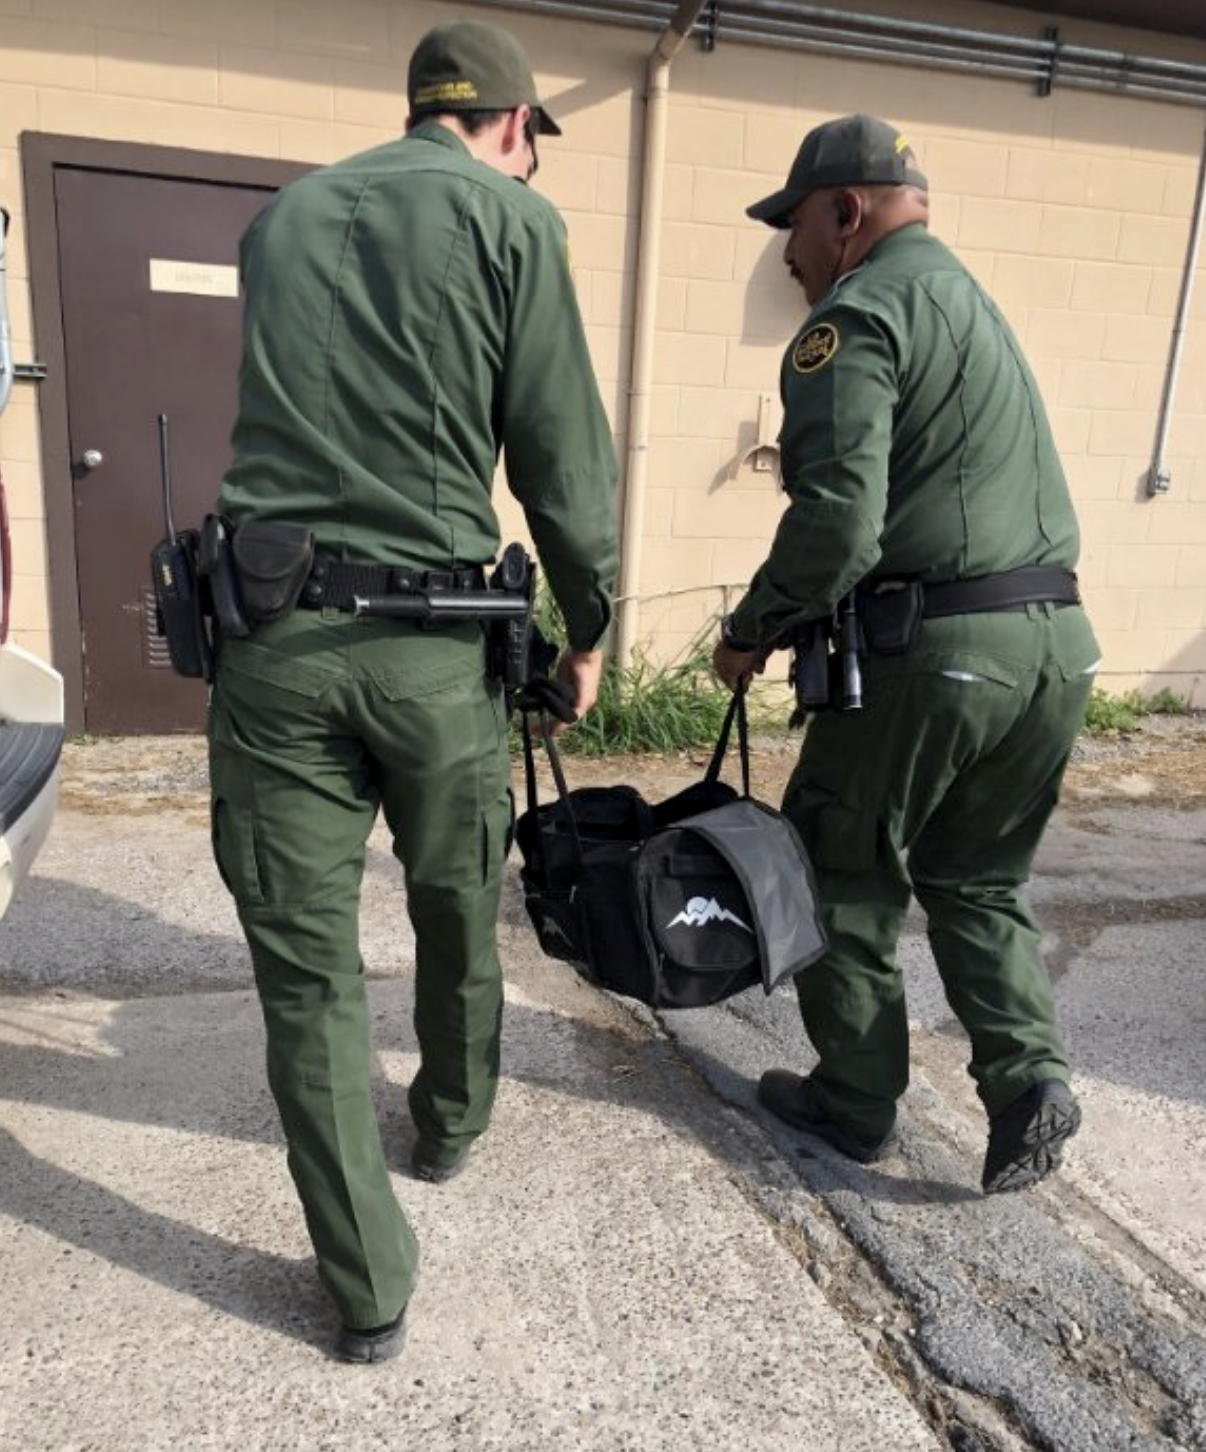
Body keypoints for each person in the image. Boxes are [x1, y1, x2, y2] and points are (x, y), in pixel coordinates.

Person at [207, 20, 618, 1363]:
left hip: (269, 642)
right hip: (438, 653)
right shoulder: (510, 222)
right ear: (512, 126)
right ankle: (448, 1122)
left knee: (306, 976)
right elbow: (560, 456)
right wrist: (588, 628)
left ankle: (366, 1283)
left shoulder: (280, 223)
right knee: (454, 902)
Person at [712, 114, 1099, 1196]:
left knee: (840, 873)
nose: (785, 257)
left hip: (933, 650)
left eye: (791, 229)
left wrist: (751, 632)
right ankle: (1028, 1079)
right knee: (978, 878)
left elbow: (841, 525)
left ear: (847, 213)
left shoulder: (857, 315)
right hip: (1056, 649)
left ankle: (854, 1101)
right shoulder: (975, 308)